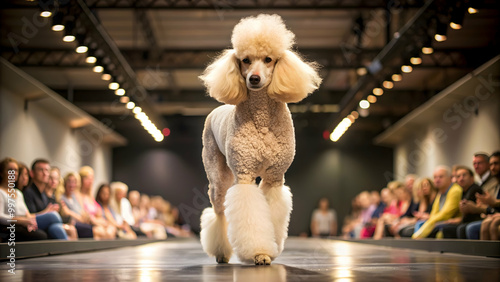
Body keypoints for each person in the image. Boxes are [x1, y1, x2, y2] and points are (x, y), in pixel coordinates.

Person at [0, 157, 48, 241]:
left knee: (50, 230)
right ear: (1, 173)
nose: (13, 173)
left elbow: (27, 213)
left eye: (16, 170)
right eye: (10, 170)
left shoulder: (18, 193)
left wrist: (30, 223)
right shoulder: (0, 192)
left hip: (23, 226)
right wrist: (21, 221)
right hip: (8, 228)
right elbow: (0, 217)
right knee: (42, 235)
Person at [21, 159, 68, 240]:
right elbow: (29, 216)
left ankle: (68, 249)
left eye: (47, 170)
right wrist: (47, 211)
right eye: (41, 170)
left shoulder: (44, 194)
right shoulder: (28, 192)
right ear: (32, 173)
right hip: (29, 224)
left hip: (44, 225)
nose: (45, 173)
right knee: (53, 216)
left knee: (55, 227)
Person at [412, 165, 462, 239]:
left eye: (441, 177)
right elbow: (434, 212)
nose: (437, 180)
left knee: (434, 228)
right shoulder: (440, 193)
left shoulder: (455, 190)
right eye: (435, 177)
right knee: (420, 224)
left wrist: (430, 219)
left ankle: (416, 241)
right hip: (440, 221)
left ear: (450, 178)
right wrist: (430, 219)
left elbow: (446, 214)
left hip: (451, 221)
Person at [60, 172, 110, 240]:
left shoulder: (74, 197)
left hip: (82, 222)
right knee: (96, 231)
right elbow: (66, 212)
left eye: (74, 182)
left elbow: (81, 212)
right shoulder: (62, 198)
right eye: (69, 182)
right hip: (73, 223)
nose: (72, 185)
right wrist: (81, 218)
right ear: (65, 183)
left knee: (103, 230)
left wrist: (83, 217)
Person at [440, 166, 483, 238]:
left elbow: (471, 214)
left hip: (475, 220)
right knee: (445, 227)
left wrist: (458, 220)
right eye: (458, 176)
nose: (461, 178)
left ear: (472, 178)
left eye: (464, 175)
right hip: (467, 221)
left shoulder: (475, 189)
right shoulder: (463, 191)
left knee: (460, 228)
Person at [79, 166, 117, 239]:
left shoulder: (91, 197)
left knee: (111, 230)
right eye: (87, 178)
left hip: (97, 223)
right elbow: (85, 215)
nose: (90, 181)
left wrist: (102, 222)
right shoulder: (79, 195)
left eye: (92, 178)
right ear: (81, 179)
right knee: (101, 231)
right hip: (89, 224)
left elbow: (99, 214)